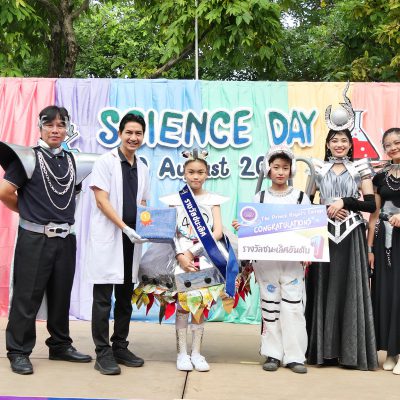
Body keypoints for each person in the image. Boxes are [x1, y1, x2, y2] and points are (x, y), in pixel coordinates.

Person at [0, 106, 92, 375]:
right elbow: (5, 192)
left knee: (61, 295)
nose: (55, 130)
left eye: (61, 125)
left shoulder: (73, 162)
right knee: (27, 296)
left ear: (67, 129)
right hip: (34, 238)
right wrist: (28, 212)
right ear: (40, 128)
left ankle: (60, 345)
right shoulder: (27, 158)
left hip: (66, 238)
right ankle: (18, 351)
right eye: (49, 125)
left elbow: (72, 195)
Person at [305, 107, 378, 370]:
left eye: (344, 140)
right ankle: (323, 352)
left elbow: (370, 205)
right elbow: (304, 204)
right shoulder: (317, 168)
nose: (339, 144)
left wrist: (345, 201)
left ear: (350, 144)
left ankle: (350, 353)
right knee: (322, 288)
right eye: (334, 140)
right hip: (323, 234)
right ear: (327, 144)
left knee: (349, 289)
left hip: (351, 235)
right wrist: (326, 208)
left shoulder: (360, 168)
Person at [233, 145, 310, 374]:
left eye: (285, 167)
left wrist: (308, 251)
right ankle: (273, 354)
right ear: (268, 169)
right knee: (270, 307)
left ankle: (295, 356)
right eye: (276, 167)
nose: (280, 172)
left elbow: (308, 229)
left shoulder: (300, 197)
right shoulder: (260, 197)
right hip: (266, 262)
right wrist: (243, 227)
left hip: (292, 263)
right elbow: (252, 225)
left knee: (293, 308)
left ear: (291, 170)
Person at [86, 112, 150, 375]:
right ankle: (102, 353)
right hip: (110, 237)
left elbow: (143, 203)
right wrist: (124, 227)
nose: (133, 137)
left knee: (125, 298)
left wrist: (147, 227)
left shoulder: (143, 166)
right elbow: (102, 201)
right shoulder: (105, 162)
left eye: (138, 133)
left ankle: (120, 346)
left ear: (143, 136)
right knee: (103, 298)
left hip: (131, 241)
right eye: (129, 132)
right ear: (120, 134)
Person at [159, 149, 230, 373]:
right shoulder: (175, 200)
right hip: (180, 257)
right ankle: (182, 353)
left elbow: (217, 232)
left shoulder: (213, 200)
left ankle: (197, 353)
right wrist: (181, 255)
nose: (196, 176)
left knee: (199, 304)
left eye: (200, 172)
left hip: (205, 257)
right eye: (191, 172)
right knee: (182, 305)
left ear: (207, 174)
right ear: (184, 173)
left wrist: (194, 251)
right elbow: (170, 231)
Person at [368, 128, 400, 374]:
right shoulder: (380, 177)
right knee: (388, 293)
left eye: (397, 142)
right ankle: (391, 350)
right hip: (384, 242)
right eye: (388, 145)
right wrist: (369, 247)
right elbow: (374, 215)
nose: (393, 148)